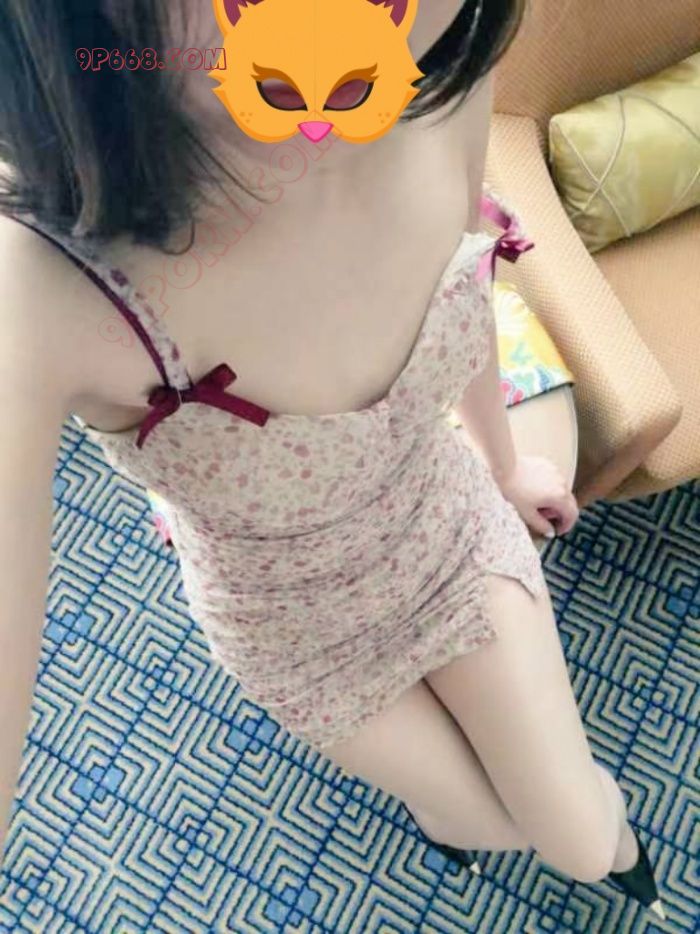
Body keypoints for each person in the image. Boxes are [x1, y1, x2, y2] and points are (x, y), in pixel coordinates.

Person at [0, 0, 663, 918]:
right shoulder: (39, 289)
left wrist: (504, 467)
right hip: (294, 629)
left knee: (581, 841)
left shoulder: (439, 86)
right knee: (490, 818)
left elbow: (469, 285)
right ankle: (451, 815)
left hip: (439, 525)